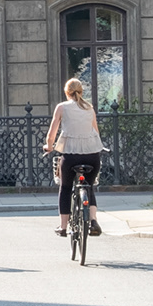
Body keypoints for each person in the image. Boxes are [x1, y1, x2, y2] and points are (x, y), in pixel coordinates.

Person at [43, 77, 105, 238]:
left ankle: (63, 227)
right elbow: (96, 132)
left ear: (66, 92)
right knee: (89, 186)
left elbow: (52, 134)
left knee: (65, 188)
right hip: (92, 156)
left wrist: (49, 147)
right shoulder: (89, 108)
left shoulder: (62, 107)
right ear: (81, 91)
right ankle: (93, 220)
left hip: (71, 157)